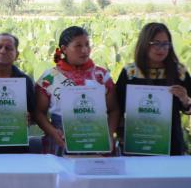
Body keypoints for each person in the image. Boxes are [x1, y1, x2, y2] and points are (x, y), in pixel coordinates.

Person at [34, 26, 119, 155]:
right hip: (61, 140)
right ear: (64, 49)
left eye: (87, 45)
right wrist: (53, 132)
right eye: (78, 46)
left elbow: (114, 109)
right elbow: (38, 112)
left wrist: (109, 133)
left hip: (97, 139)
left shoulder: (101, 76)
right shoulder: (50, 77)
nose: (84, 50)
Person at [115, 22, 191, 155]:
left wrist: (185, 99)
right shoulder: (130, 73)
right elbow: (117, 108)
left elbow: (188, 108)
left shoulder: (180, 72)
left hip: (171, 144)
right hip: (137, 142)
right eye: (156, 43)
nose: (161, 49)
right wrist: (121, 135)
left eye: (165, 44)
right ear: (144, 44)